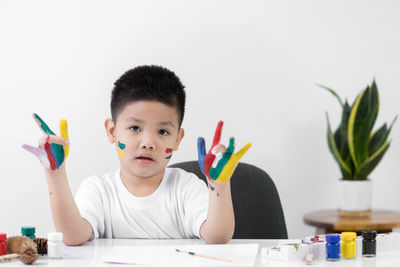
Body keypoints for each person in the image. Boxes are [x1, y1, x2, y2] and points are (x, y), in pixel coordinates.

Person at [23, 65, 249, 246]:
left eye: (162, 131)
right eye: (134, 128)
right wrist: (55, 172)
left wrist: (219, 184)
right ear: (112, 131)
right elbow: (72, 237)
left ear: (178, 139)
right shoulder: (99, 190)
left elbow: (218, 237)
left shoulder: (186, 187)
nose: (148, 143)